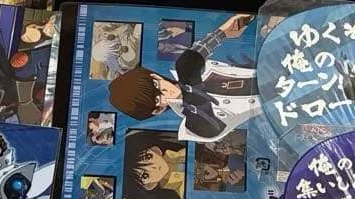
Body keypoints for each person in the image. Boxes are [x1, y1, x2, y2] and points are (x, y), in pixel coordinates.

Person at [108, 13, 258, 142]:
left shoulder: (204, 71)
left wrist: (226, 32)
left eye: (156, 85)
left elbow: (190, 66)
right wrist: (221, 33)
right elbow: (187, 67)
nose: (166, 92)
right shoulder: (193, 125)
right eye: (157, 99)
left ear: (155, 76)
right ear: (157, 110)